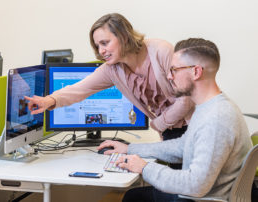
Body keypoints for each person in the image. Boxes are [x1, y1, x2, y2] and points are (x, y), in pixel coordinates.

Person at [98, 38, 253, 201]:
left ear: (196, 72)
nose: (169, 77)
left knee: (126, 198)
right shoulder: (208, 106)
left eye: (174, 70)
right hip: (201, 194)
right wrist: (130, 149)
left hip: (200, 198)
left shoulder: (216, 118)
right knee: (134, 196)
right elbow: (182, 146)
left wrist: (144, 167)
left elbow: (196, 185)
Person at [25, 13, 194, 143]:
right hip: (171, 132)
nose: (101, 51)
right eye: (97, 46)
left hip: (195, 126)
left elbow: (187, 99)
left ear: (124, 37)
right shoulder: (113, 69)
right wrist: (49, 100)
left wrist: (158, 124)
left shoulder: (161, 51)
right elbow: (79, 89)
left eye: (105, 43)